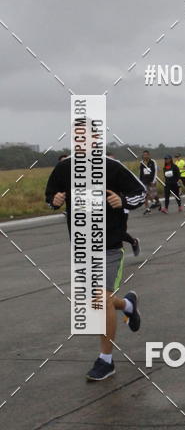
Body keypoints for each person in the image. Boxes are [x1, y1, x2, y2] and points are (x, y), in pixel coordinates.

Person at [45, 152, 144, 381]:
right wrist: (54, 201)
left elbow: (140, 192)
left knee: (101, 299)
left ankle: (106, 360)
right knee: (99, 300)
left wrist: (124, 201)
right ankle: (128, 305)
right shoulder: (65, 168)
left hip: (109, 244)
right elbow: (50, 195)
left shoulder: (113, 166)